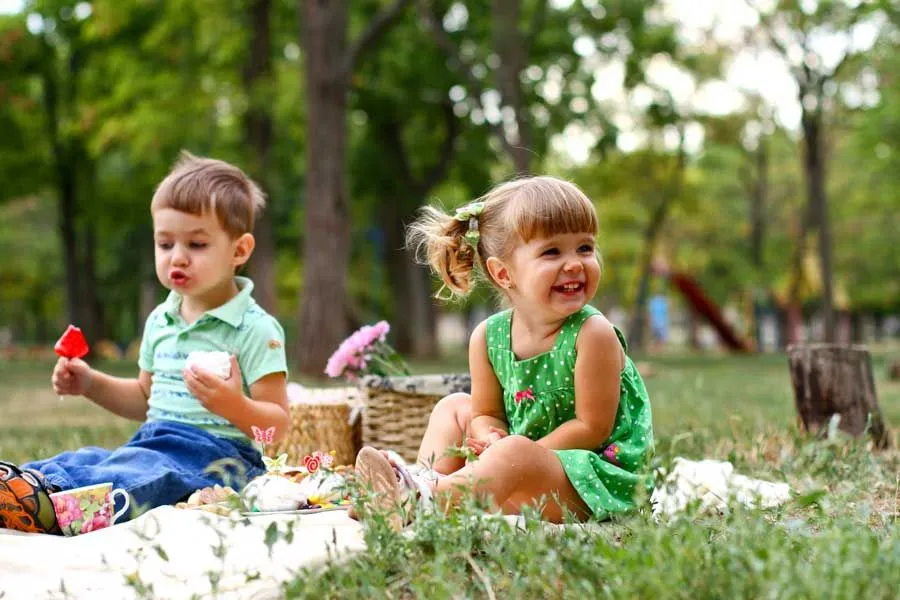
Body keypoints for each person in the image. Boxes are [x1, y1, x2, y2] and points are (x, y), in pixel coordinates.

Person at [0, 152, 290, 534]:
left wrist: (232, 404)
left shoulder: (255, 330)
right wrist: (89, 383)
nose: (178, 258)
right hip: (152, 441)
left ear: (239, 250)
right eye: (165, 244)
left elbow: (278, 427)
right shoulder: (161, 320)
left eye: (197, 245)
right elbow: (144, 398)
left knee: (151, 476)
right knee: (97, 459)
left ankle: (57, 506)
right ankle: (27, 485)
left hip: (221, 459)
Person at [353, 176, 654, 529]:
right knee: (452, 408)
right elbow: (486, 413)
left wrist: (510, 451)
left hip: (595, 482)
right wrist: (488, 434)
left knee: (515, 453)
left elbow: (591, 428)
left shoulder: (593, 334)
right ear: (502, 272)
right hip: (518, 472)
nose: (574, 263)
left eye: (585, 248)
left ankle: (427, 500)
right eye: (552, 252)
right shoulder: (488, 337)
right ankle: (421, 483)